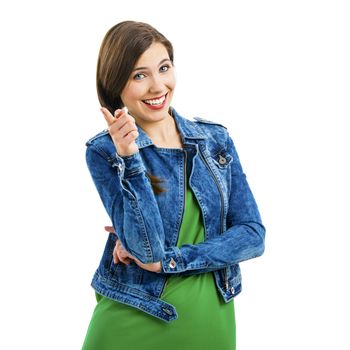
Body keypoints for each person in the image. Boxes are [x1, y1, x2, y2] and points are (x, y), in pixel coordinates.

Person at [82, 20, 265, 350]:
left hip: (209, 324)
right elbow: (147, 248)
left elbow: (252, 234)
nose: (157, 86)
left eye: (163, 68)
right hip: (129, 322)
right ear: (116, 84)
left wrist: (172, 261)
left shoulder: (215, 140)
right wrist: (129, 155)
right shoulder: (105, 151)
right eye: (139, 75)